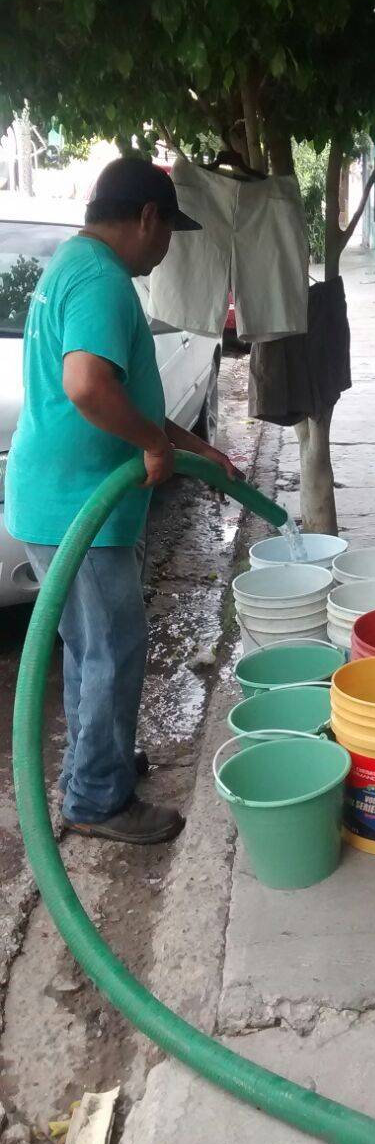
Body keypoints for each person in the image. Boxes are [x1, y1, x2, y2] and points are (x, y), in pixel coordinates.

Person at [5, 156, 243, 843]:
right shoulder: (103, 283)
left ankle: (96, 766)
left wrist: (186, 447)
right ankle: (97, 799)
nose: (169, 249)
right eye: (170, 232)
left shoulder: (74, 267)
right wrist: (152, 446)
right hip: (76, 508)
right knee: (111, 648)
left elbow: (121, 393)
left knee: (91, 648)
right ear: (147, 218)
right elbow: (86, 386)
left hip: (60, 503)